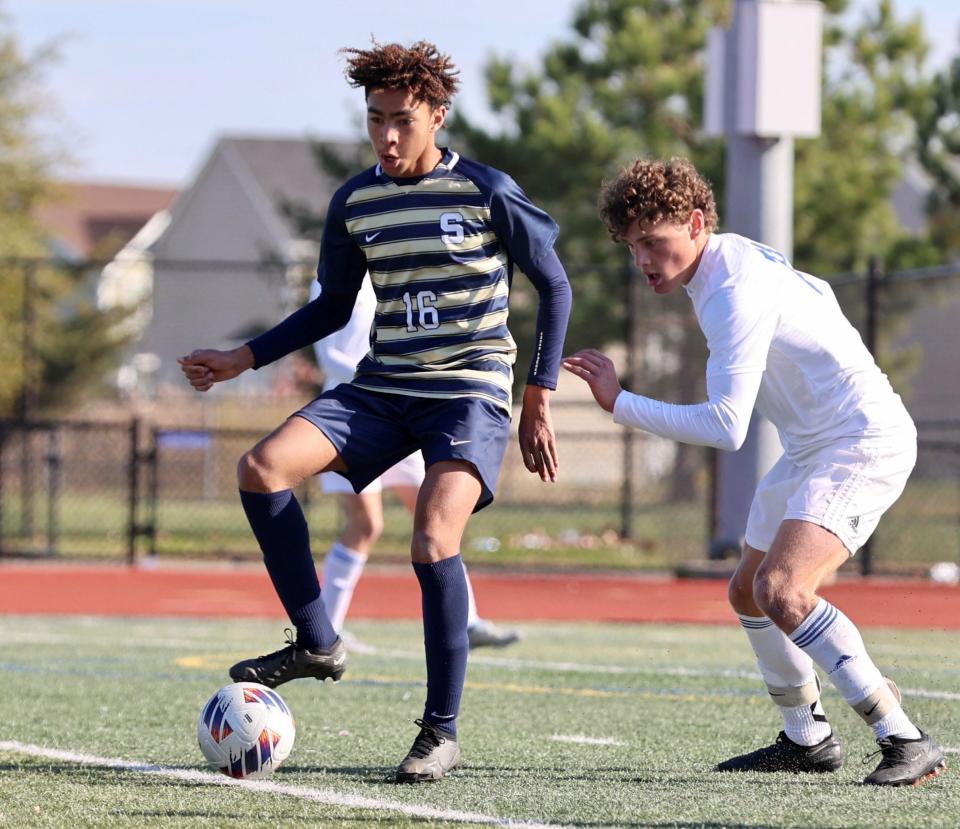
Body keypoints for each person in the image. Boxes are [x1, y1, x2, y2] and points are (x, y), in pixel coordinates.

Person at [179, 40, 571, 783]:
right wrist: (243, 358)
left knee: (430, 535)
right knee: (261, 468)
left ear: (438, 117)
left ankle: (440, 730)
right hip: (385, 387)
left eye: (402, 121)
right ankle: (319, 640)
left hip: (468, 393)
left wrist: (537, 397)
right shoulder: (356, 201)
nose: (387, 137)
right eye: (375, 120)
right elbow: (331, 305)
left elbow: (555, 286)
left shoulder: (488, 190)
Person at [563, 157, 946, 787]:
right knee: (747, 591)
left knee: (783, 590)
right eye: (633, 248)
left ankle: (901, 735)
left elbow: (726, 427)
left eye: (654, 243)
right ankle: (807, 738)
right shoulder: (731, 261)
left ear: (693, 223)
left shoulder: (731, 288)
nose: (643, 261)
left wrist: (619, 403)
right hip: (811, 445)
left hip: (859, 440)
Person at [310, 274, 520, 650]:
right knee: (366, 524)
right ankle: (325, 631)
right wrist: (379, 381)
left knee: (440, 522)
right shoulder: (331, 280)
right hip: (352, 415)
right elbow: (330, 358)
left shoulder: (392, 274)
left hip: (398, 414)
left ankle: (467, 621)